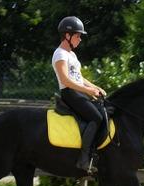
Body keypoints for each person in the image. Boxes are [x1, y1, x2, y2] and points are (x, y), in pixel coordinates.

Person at [52, 16, 107, 172]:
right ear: (67, 36)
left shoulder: (72, 55)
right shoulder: (60, 54)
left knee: (102, 112)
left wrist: (96, 87)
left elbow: (79, 78)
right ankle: (84, 159)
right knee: (96, 117)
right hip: (70, 94)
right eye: (78, 36)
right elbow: (66, 80)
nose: (80, 39)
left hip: (78, 92)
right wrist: (89, 91)